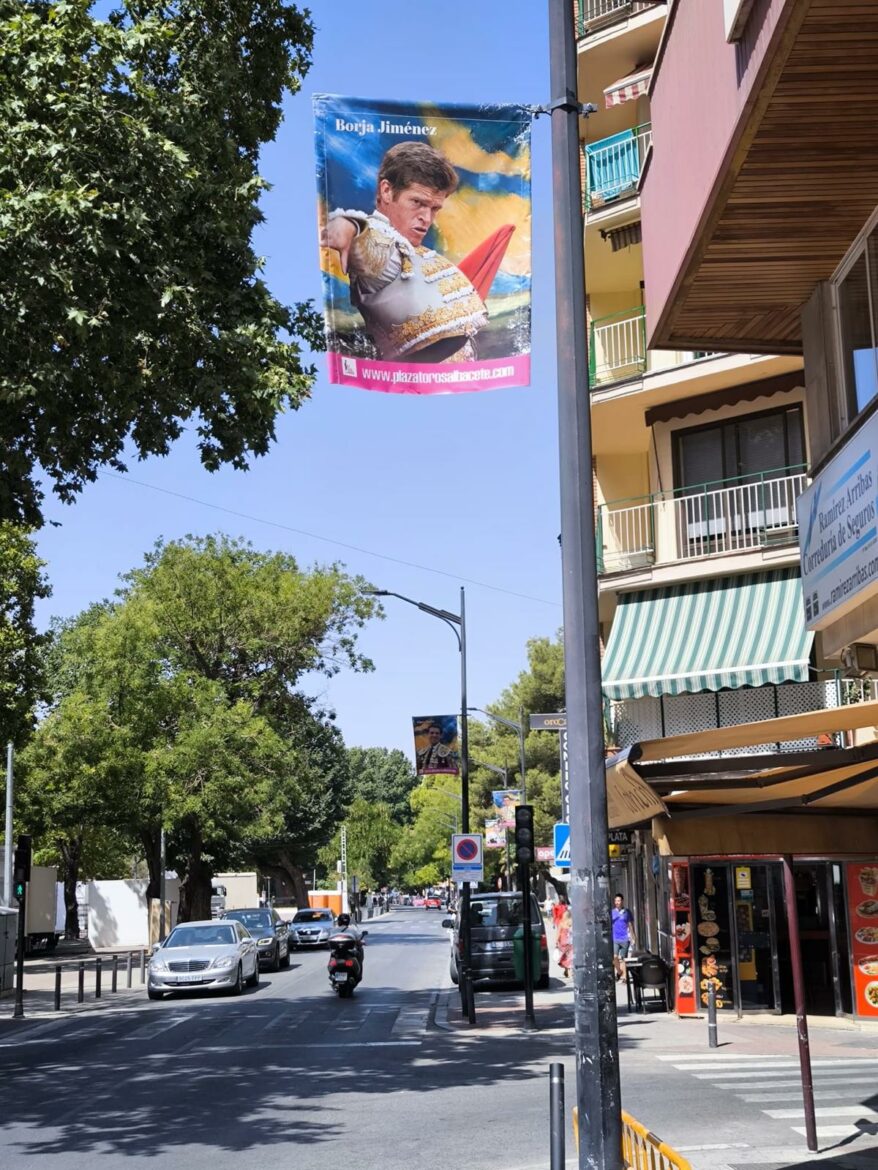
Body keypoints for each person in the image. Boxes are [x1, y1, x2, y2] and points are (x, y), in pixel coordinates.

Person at [321, 141, 497, 363]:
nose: (427, 218)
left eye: (434, 208)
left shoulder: (415, 252)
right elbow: (369, 247)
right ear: (386, 191)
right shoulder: (386, 246)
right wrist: (348, 227)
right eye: (417, 202)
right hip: (411, 387)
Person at [612, 893, 636, 983]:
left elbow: (630, 924)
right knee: (614, 958)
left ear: (622, 901)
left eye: (619, 900)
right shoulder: (612, 912)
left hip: (625, 938)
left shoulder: (627, 912)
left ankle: (624, 978)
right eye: (616, 901)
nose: (617, 902)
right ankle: (619, 972)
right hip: (615, 938)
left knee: (623, 959)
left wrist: (633, 935)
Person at [556, 907, 573, 979]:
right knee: (570, 957)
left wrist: (556, 942)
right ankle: (568, 971)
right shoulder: (571, 923)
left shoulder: (561, 923)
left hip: (563, 943)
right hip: (570, 942)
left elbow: (558, 934)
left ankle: (568, 971)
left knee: (565, 957)